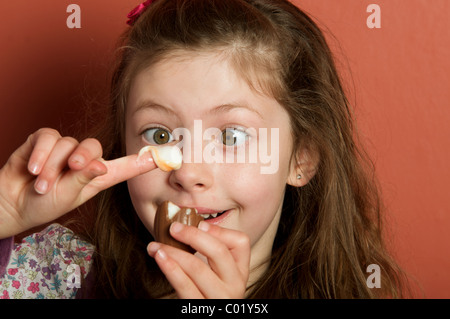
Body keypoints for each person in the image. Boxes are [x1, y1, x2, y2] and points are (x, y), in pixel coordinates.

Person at [0, 0, 408, 299]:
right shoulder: (57, 273)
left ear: (301, 158)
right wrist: (5, 214)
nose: (188, 171)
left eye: (231, 137)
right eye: (159, 136)